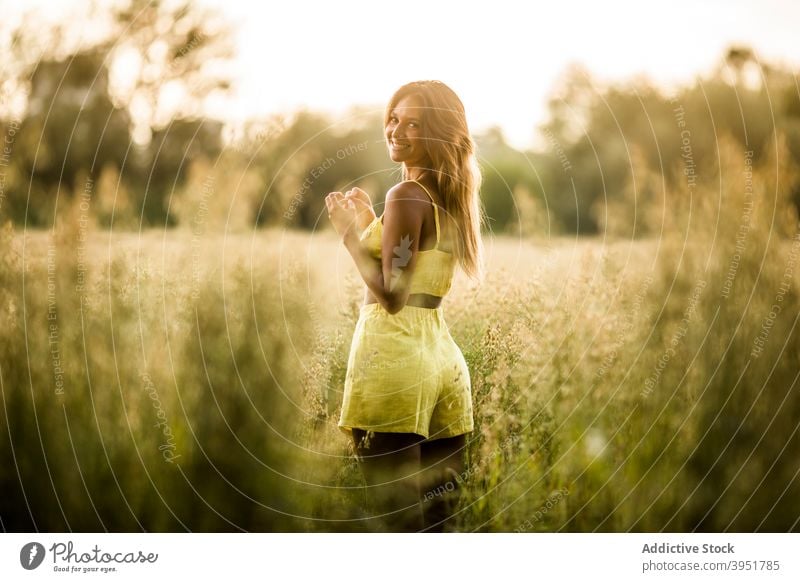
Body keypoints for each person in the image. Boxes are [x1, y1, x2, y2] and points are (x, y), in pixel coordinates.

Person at [326, 80, 485, 532]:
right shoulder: (447, 196)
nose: (396, 130)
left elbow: (393, 297)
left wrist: (348, 235)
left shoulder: (406, 196)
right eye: (394, 118)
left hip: (394, 360)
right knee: (439, 522)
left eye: (413, 122)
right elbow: (415, 272)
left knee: (393, 522)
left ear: (437, 133)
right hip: (441, 361)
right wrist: (369, 224)